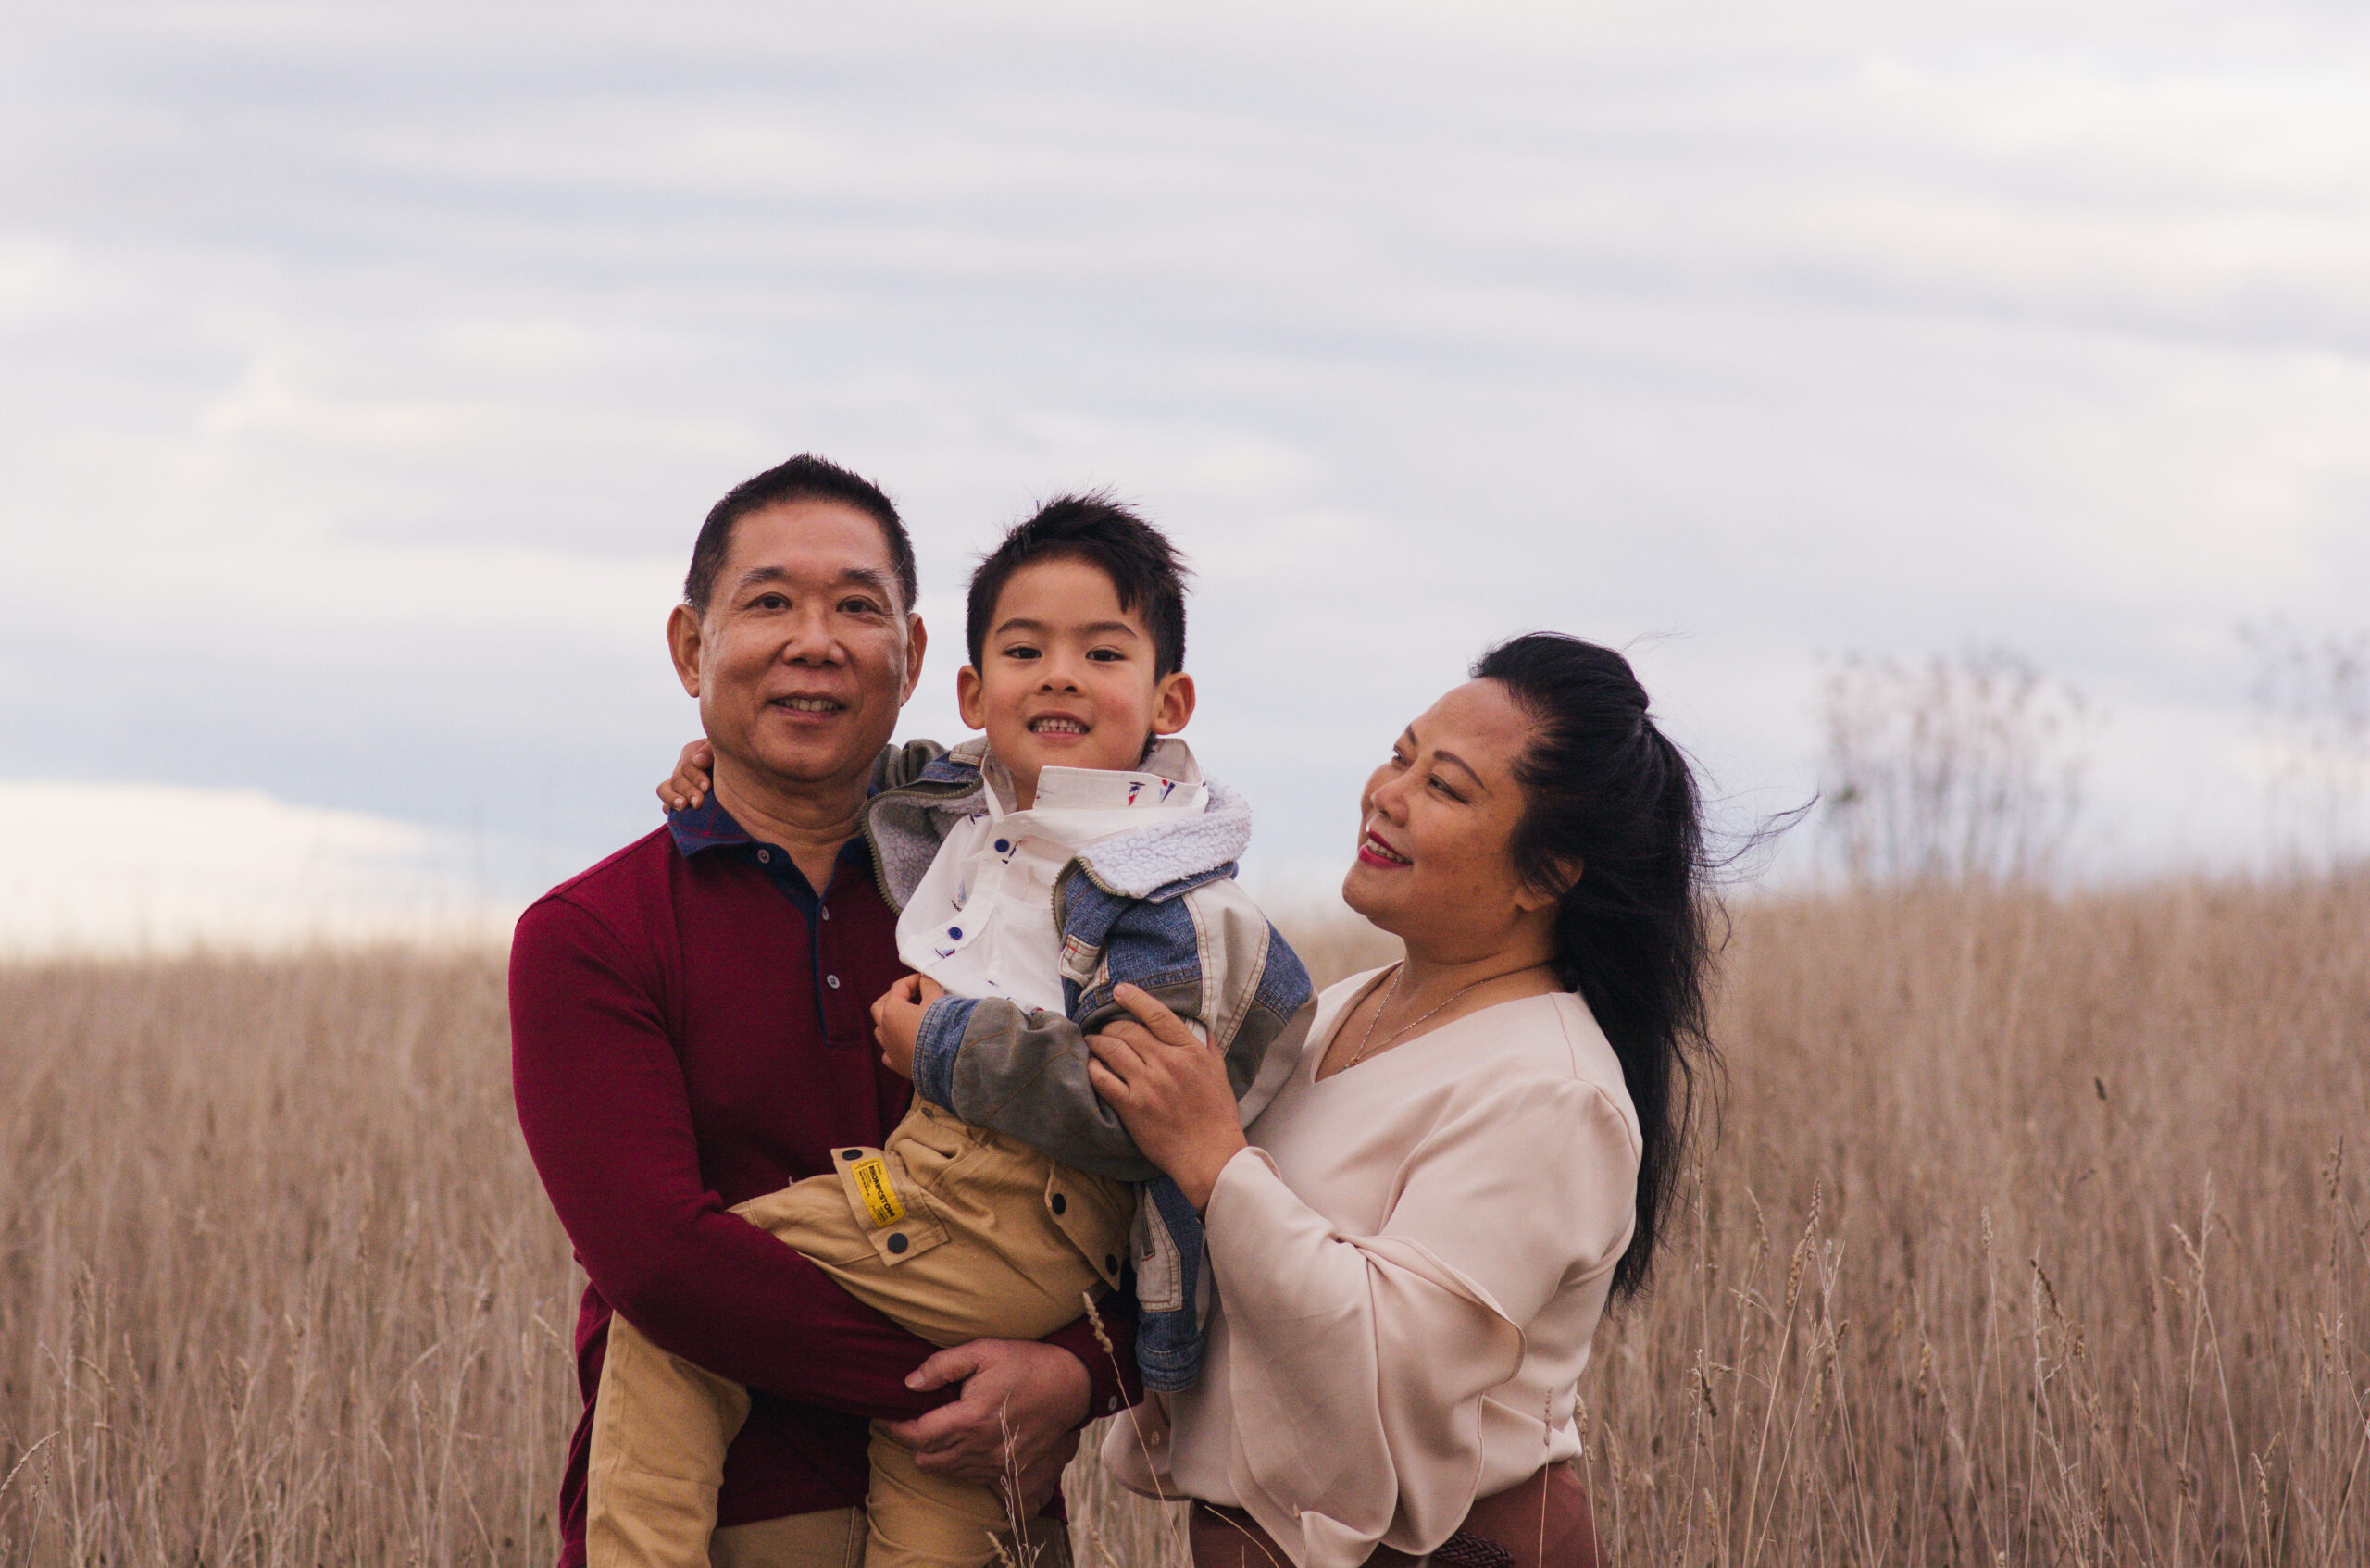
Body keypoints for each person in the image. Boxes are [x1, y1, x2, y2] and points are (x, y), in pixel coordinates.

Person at [604, 496, 1313, 1568]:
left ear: (1170, 697)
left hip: (1007, 1204)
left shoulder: (1159, 891)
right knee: (940, 1480)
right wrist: (714, 761)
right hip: (959, 1206)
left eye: (1101, 650)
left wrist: (946, 1046)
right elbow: (853, 770)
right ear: (974, 691)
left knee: (661, 1333)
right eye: (1025, 649)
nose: (1061, 673)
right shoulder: (969, 810)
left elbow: (1143, 1115)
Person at [510, 457, 1138, 1568]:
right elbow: (658, 1263)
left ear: (912, 660)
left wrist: (1082, 1377)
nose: (814, 641)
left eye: (856, 606)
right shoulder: (591, 931)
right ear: (689, 648)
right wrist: (949, 1374)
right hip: (720, 1523)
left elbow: (1159, 1174)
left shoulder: (1025, 898)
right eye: (768, 603)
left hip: (983, 1513)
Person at [1085, 633, 1717, 1568]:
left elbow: (1382, 1365)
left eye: (1445, 786)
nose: (1386, 793)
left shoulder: (1553, 1090)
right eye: (1400, 752)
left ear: (1548, 873)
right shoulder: (1339, 1006)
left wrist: (1217, 1162)